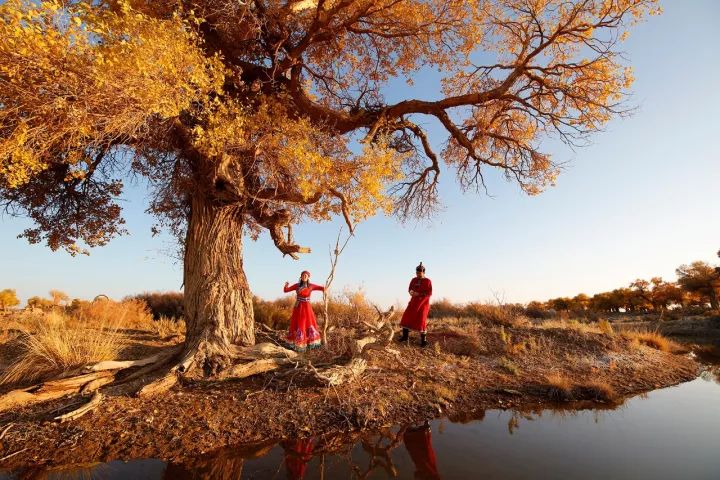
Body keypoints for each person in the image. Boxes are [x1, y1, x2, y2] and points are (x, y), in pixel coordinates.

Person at [283, 270, 324, 351]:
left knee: (306, 322)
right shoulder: (297, 285)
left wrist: (325, 288)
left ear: (308, 277)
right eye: (303, 275)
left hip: (307, 307)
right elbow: (286, 290)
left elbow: (321, 288)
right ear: (301, 277)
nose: (304, 277)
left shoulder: (311, 286)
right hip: (298, 307)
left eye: (306, 275)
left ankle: (308, 343)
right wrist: (286, 285)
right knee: (297, 323)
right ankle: (298, 343)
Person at [398, 262, 433, 347]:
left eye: (419, 273)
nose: (418, 275)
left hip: (423, 304)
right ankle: (405, 337)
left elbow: (429, 293)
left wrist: (419, 295)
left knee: (421, 320)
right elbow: (410, 288)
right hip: (413, 302)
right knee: (406, 316)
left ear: (423, 272)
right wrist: (411, 292)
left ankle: (423, 341)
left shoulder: (428, 281)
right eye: (417, 273)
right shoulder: (414, 280)